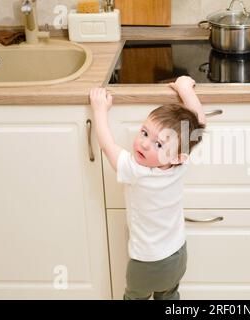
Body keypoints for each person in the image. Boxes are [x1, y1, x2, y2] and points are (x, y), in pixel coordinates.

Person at [89, 76, 206, 300]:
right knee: (169, 296)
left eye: (158, 144)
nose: (144, 144)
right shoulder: (180, 162)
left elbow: (107, 145)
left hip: (147, 263)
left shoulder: (136, 171)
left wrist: (100, 110)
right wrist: (186, 91)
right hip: (178, 254)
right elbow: (199, 125)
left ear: (177, 156)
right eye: (144, 133)